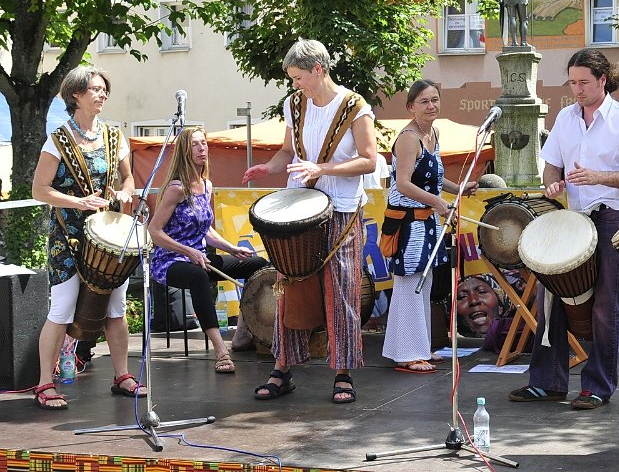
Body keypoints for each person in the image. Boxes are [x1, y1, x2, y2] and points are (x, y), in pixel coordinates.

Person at [507, 48, 619, 409]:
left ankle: (597, 386)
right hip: (576, 217)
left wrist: (597, 176)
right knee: (549, 296)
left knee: (606, 303)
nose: (577, 89)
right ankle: (547, 382)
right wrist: (553, 184)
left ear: (603, 79)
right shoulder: (566, 118)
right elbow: (551, 165)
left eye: (584, 82)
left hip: (614, 216)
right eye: (572, 82)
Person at [242, 38, 377, 403]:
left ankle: (343, 372)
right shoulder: (294, 104)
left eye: (299, 76)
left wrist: (323, 168)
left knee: (341, 290)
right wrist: (268, 167)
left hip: (342, 210)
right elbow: (289, 150)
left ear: (318, 69)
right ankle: (282, 367)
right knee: (290, 288)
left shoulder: (355, 107)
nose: (295, 84)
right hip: (300, 208)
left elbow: (369, 161)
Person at [31, 65, 147, 409]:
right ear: (76, 95)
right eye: (95, 89)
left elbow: (128, 180)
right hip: (69, 238)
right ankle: (44, 383)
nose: (102, 94)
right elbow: (39, 189)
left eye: (103, 89)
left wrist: (126, 193)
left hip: (109, 237)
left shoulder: (114, 137)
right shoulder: (58, 140)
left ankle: (123, 375)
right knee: (63, 309)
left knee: (116, 309)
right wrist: (77, 202)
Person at [149, 126, 267, 374]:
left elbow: (205, 230)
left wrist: (231, 248)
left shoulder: (207, 185)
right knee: (199, 278)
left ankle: (246, 332)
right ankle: (220, 351)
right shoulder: (176, 188)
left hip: (200, 257)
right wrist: (189, 252)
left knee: (257, 265)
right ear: (184, 151)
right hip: (170, 261)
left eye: (204, 143)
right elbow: (155, 231)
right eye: (195, 144)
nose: (202, 148)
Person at [380, 80, 477, 373]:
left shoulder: (433, 133)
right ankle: (407, 353)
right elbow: (403, 184)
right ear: (411, 106)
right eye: (424, 101)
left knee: (424, 283)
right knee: (410, 282)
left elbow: (431, 179)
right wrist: (437, 202)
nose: (431, 105)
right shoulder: (409, 138)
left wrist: (456, 189)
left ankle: (418, 347)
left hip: (426, 219)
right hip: (408, 220)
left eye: (435, 99)